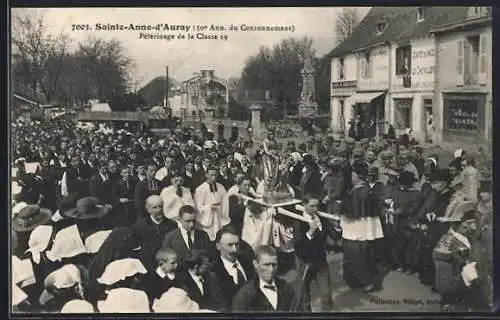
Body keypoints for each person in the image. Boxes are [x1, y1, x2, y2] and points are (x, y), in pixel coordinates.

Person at [340, 164, 384, 292]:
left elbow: (357, 210)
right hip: (357, 226)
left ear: (357, 175)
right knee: (355, 254)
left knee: (357, 254)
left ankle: (366, 281)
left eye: (353, 174)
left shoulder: (362, 191)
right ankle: (356, 280)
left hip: (358, 227)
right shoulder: (360, 189)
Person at [433, 201, 483, 311]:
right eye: (468, 223)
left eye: (475, 223)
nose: (473, 227)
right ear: (455, 223)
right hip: (456, 304)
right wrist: (465, 278)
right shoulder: (445, 246)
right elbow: (443, 285)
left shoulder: (471, 239)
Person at [293, 194, 335, 311]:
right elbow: (298, 247)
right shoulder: (298, 221)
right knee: (304, 298)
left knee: (326, 296)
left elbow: (334, 235)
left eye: (317, 206)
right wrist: (310, 232)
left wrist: (339, 227)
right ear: (304, 205)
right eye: (312, 206)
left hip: (320, 262)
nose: (315, 209)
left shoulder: (321, 218)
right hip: (304, 263)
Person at [232, 245, 299, 312]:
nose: (271, 269)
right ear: (255, 264)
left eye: (274, 265)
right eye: (266, 265)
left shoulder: (287, 289)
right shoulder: (245, 295)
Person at [210, 225, 255, 310]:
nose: (234, 249)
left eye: (237, 245)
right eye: (230, 245)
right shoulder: (213, 272)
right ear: (218, 246)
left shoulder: (248, 262)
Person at [133, 195, 178, 265]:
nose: (159, 210)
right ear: (148, 209)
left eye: (160, 206)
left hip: (166, 264)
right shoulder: (140, 226)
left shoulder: (172, 225)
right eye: (155, 207)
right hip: (147, 264)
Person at [194, 167, 228, 241]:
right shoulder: (200, 189)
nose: (214, 177)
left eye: (215, 175)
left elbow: (226, 202)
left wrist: (222, 210)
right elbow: (198, 207)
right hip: (207, 220)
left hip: (219, 218)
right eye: (211, 175)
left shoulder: (221, 187)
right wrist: (209, 207)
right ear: (206, 175)